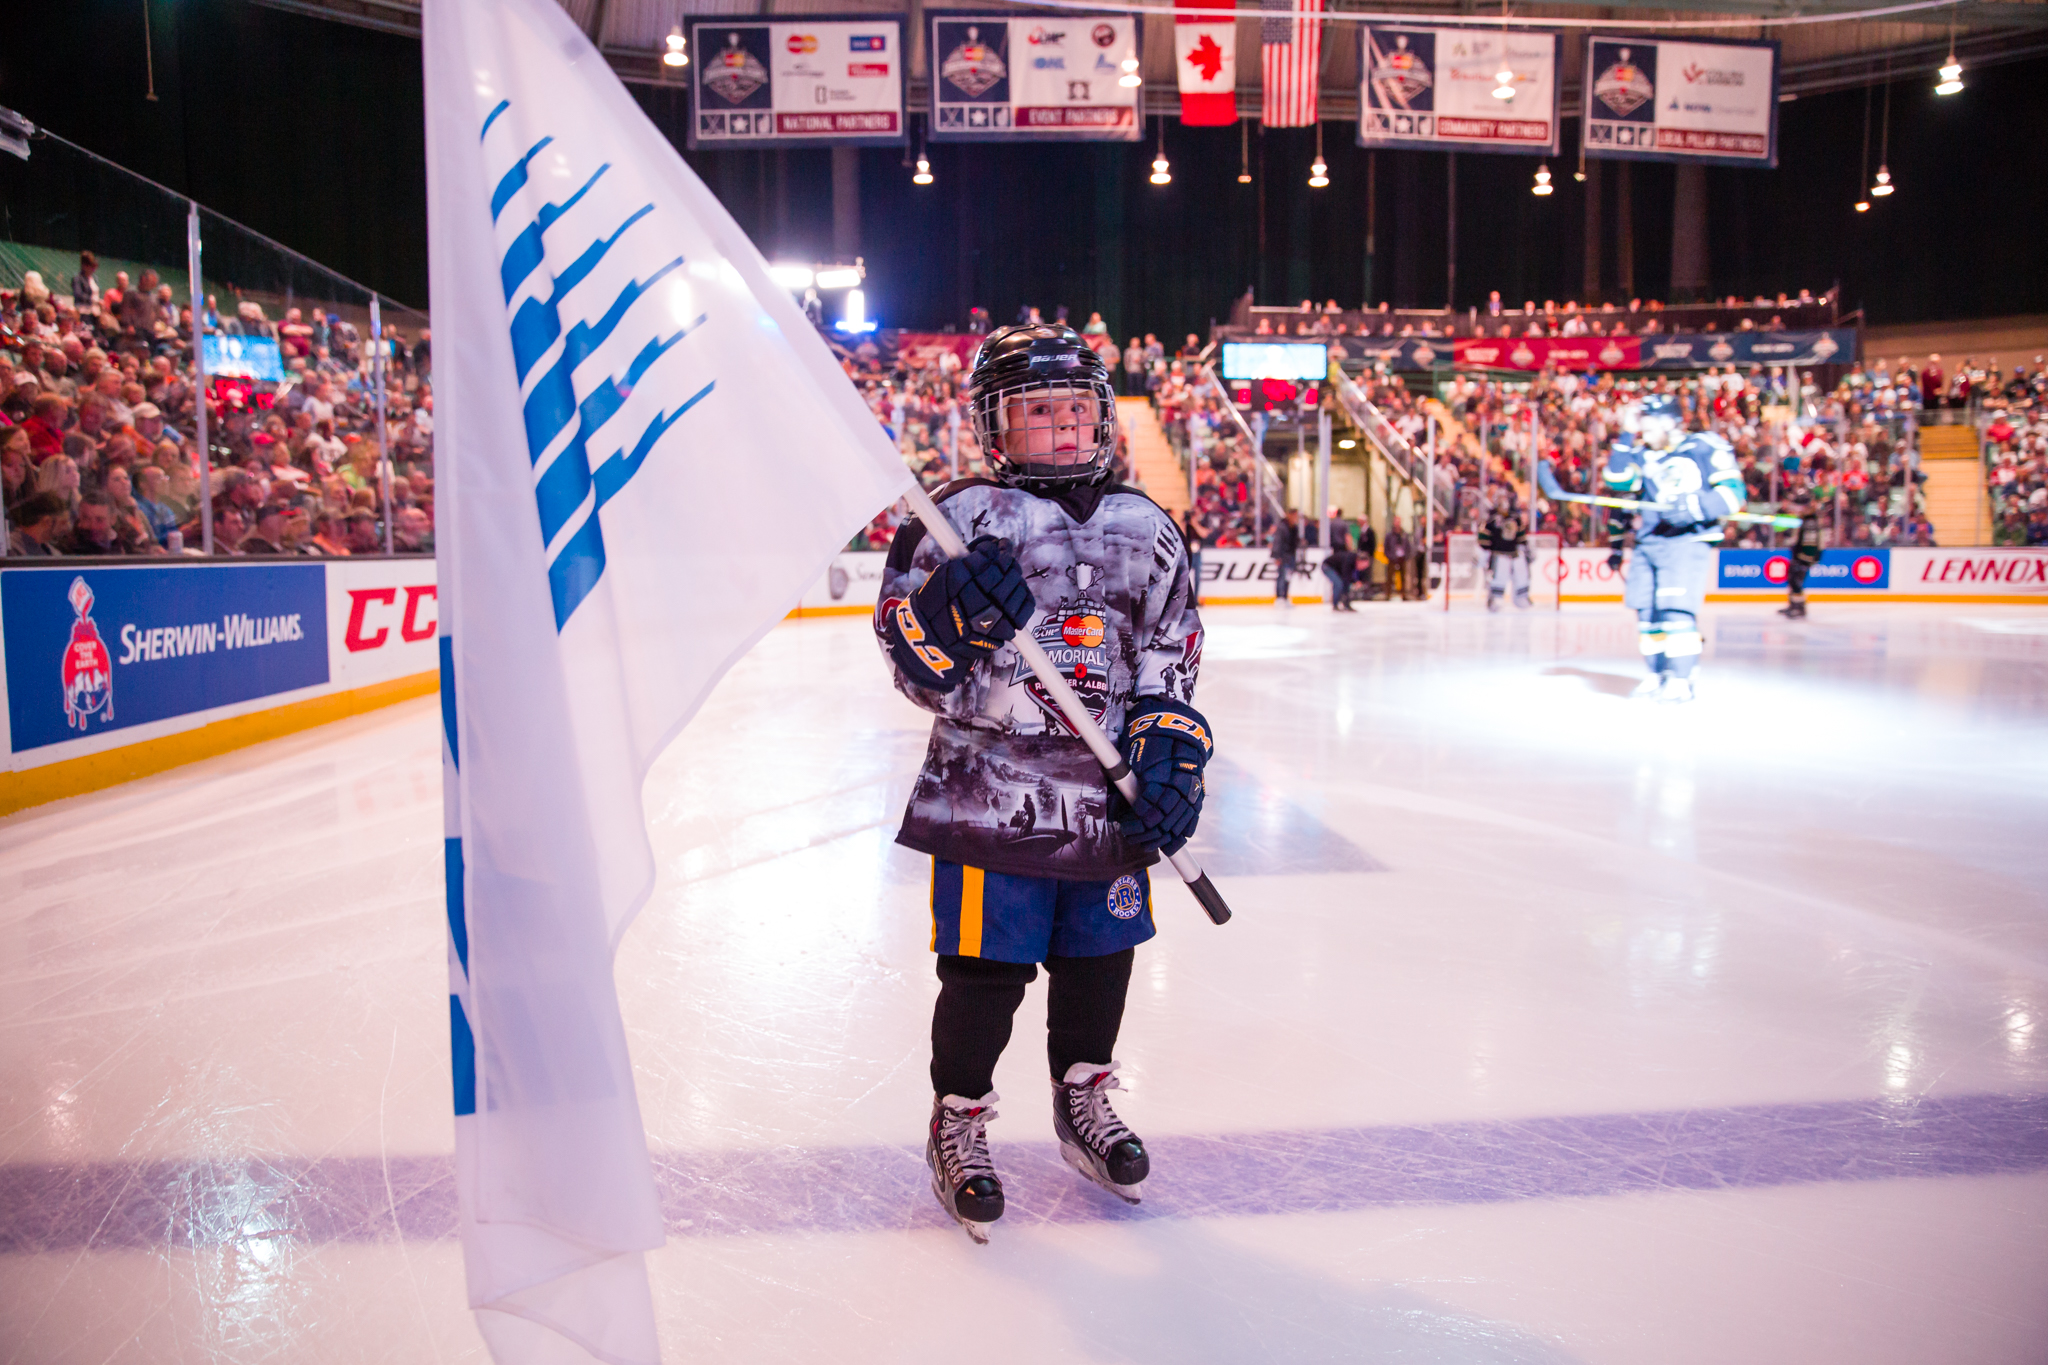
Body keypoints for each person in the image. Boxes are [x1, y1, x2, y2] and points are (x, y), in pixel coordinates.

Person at [874, 323, 1209, 1243]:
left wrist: (1171, 752)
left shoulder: (1147, 526)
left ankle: (1082, 1098)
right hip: (990, 795)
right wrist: (948, 617)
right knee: (984, 974)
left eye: (1074, 409)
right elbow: (910, 663)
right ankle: (958, 1117)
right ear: (996, 424)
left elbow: (1170, 650)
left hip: (1108, 800)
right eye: (1037, 411)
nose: (1062, 428)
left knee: (1103, 960)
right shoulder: (958, 518)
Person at [1604, 393, 1745, 703]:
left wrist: (1695, 507)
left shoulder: (1703, 446)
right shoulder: (1643, 455)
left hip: (1685, 541)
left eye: (1648, 425)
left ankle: (1681, 679)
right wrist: (1626, 433)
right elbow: (1616, 478)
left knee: (1675, 611)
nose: (1643, 432)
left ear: (1670, 422)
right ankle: (1657, 673)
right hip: (1648, 543)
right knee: (1647, 615)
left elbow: (1734, 493)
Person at [1779, 498, 1822, 620]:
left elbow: (1811, 543)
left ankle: (1799, 608)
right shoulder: (1805, 521)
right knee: (1793, 580)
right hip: (1799, 556)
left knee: (1796, 582)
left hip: (1803, 557)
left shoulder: (1810, 523)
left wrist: (1807, 558)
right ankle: (1794, 605)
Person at [1483, 505, 1530, 611]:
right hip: (1498, 555)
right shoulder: (1491, 519)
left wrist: (1525, 550)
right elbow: (1484, 539)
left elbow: (1521, 537)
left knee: (1522, 575)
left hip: (1515, 554)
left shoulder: (1515, 518)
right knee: (1499, 577)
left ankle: (1521, 597)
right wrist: (1482, 555)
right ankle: (1496, 597)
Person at [1270, 508, 1302, 605]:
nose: (1295, 518)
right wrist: (1277, 556)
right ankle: (1279, 597)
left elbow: (1294, 542)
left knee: (1288, 577)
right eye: (1294, 516)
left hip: (1291, 556)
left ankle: (1285, 596)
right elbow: (1277, 542)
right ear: (1289, 515)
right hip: (1283, 555)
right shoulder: (1282, 527)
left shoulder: (1294, 528)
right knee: (1282, 576)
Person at [1323, 523, 1357, 610]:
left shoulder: (1350, 558)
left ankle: (1345, 603)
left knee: (1344, 583)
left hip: (1336, 567)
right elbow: (1345, 573)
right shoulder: (1348, 558)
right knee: (1338, 583)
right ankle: (1336, 604)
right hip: (1327, 566)